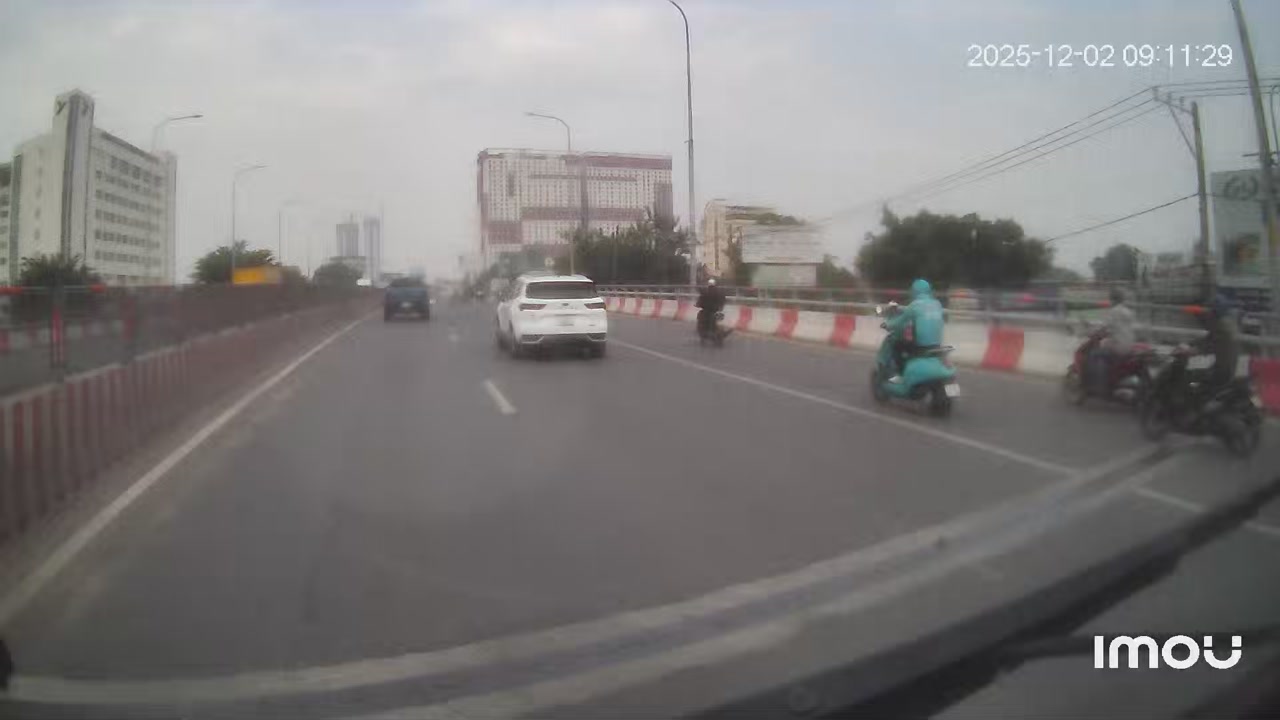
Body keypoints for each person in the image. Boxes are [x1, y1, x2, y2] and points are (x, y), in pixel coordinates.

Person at [1176, 293, 1240, 416]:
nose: (1207, 313)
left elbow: (1208, 345)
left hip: (1222, 370)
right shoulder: (1227, 324)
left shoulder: (1221, 328)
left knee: (1191, 379)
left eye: (1210, 310)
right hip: (1227, 366)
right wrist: (1191, 344)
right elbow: (1208, 340)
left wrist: (1190, 350)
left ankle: (1196, 411)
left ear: (1215, 312)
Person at [883, 278, 944, 382]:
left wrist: (887, 325)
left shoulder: (915, 305)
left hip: (921, 346)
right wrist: (900, 309)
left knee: (897, 346)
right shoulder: (937, 304)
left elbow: (899, 322)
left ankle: (900, 374)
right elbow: (918, 312)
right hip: (937, 345)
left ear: (914, 291)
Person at [1087, 287, 1136, 394]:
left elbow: (1104, 327)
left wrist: (1092, 332)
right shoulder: (1128, 312)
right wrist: (1109, 333)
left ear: (1113, 299)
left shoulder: (1114, 311)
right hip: (1130, 346)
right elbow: (1120, 328)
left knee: (1094, 354)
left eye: (1110, 299)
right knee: (1105, 347)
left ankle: (1100, 386)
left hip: (1118, 347)